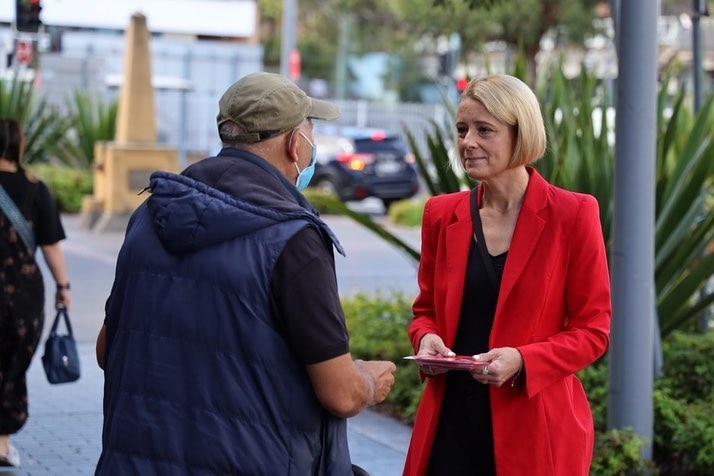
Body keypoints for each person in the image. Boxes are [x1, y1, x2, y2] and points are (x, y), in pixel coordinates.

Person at [94, 72, 397, 475]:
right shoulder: (293, 239)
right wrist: (368, 381)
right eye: (310, 134)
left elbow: (105, 349)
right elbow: (340, 393)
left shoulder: (149, 215)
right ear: (295, 143)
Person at [402, 74, 611, 476]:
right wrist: (426, 338)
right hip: (449, 427)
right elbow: (425, 309)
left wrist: (523, 360)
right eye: (462, 129)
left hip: (534, 429)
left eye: (485, 130)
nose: (467, 142)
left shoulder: (573, 214)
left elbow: (593, 330)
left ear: (521, 134)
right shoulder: (441, 214)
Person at [0, 118, 71, 468]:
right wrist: (63, 287)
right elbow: (51, 247)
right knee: (12, 363)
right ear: (18, 147)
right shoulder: (34, 188)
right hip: (21, 298)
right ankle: (0, 443)